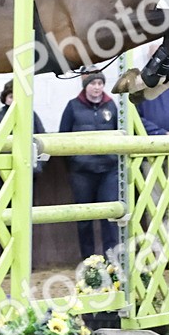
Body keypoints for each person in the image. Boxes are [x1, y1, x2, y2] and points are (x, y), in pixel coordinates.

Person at [59, 70, 120, 259]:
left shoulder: (111, 105)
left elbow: (120, 132)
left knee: (110, 217)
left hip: (108, 171)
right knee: (84, 218)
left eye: (100, 84)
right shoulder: (72, 107)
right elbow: (63, 137)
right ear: (86, 86)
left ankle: (112, 260)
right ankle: (89, 262)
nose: (97, 88)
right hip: (82, 172)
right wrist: (74, 162)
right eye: (93, 84)